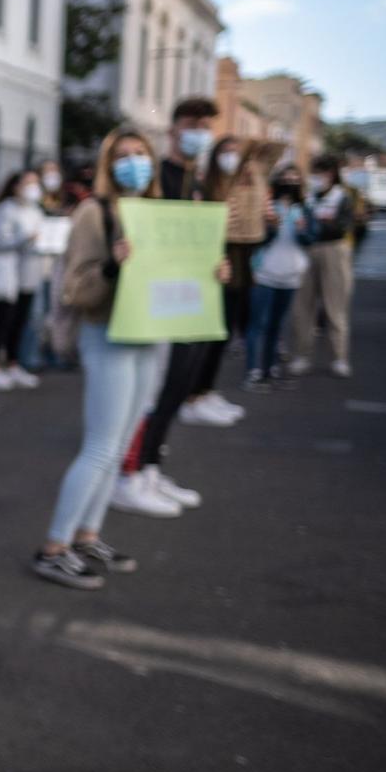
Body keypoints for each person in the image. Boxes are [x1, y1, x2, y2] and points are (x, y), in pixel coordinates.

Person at [30, 130, 171, 589]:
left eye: (141, 155)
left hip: (148, 334)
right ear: (109, 165)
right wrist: (113, 264)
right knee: (101, 445)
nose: (134, 163)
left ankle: (87, 535)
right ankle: (54, 547)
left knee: (122, 440)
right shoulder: (95, 212)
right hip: (108, 333)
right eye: (123, 157)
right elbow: (76, 287)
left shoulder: (157, 211)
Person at [110, 99, 223, 519]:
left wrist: (216, 265)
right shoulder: (158, 178)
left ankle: (150, 467)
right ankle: (130, 473)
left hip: (188, 301)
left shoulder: (200, 182)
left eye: (206, 127)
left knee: (175, 390)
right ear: (174, 129)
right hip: (158, 304)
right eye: (193, 125)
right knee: (149, 395)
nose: (200, 134)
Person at [183, 135, 257, 425]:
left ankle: (206, 390)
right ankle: (193, 396)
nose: (231, 157)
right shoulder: (204, 188)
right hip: (212, 271)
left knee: (223, 335)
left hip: (239, 269)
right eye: (225, 151)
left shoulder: (245, 189)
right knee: (207, 336)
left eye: (236, 152)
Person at [245, 164, 317, 392]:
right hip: (264, 272)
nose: (290, 184)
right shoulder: (266, 207)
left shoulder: (305, 209)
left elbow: (310, 239)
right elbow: (256, 238)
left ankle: (270, 368)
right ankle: (253, 371)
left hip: (291, 274)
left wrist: (302, 230)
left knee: (276, 325)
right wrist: (271, 228)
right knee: (258, 323)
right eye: (286, 179)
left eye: (295, 180)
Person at [289, 154, 358, 378]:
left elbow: (343, 227)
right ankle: (302, 354)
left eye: (323, 173)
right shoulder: (308, 197)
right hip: (308, 250)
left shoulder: (342, 197)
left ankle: (340, 357)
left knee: (335, 307)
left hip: (334, 251)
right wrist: (318, 225)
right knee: (302, 306)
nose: (318, 177)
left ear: (332, 175)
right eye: (315, 172)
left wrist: (315, 225)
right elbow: (299, 222)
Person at [0, 169, 45, 393]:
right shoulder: (6, 209)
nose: (33, 188)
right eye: (28, 183)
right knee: (2, 322)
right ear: (16, 186)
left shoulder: (36, 211)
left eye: (36, 183)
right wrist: (25, 238)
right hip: (9, 276)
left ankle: (13, 363)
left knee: (20, 322)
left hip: (30, 274)